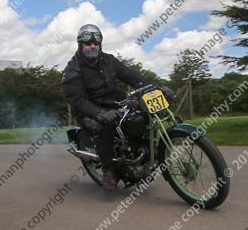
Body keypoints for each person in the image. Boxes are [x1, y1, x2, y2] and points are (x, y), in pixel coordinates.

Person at [61, 24, 172, 190]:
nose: (92, 46)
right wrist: (99, 113)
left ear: (100, 44)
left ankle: (145, 149)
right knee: (105, 126)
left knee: (143, 114)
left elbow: (133, 77)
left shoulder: (109, 60)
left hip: (115, 101)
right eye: (88, 43)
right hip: (89, 109)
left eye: (96, 43)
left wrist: (157, 87)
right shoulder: (72, 69)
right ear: (80, 44)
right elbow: (77, 100)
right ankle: (108, 170)